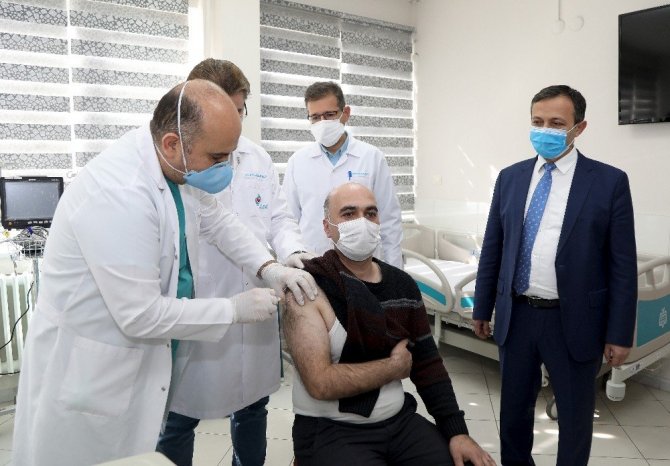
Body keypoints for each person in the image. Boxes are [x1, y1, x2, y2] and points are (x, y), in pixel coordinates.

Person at [12, 79, 317, 466]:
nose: (226, 168)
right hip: (92, 377)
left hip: (144, 359)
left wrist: (269, 268)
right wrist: (233, 310)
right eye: (218, 157)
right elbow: (140, 314)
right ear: (173, 143)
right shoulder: (119, 192)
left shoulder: (174, 166)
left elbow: (219, 220)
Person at [157, 59, 315, 466]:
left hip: (257, 296)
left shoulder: (257, 157)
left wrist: (290, 253)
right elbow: (214, 225)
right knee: (179, 416)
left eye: (239, 110)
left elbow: (278, 217)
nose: (234, 121)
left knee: (252, 406)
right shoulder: (179, 165)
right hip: (203, 300)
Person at [473, 85, 637, 466]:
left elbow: (622, 265)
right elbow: (493, 247)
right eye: (537, 121)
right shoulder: (510, 178)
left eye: (556, 123)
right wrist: (482, 307)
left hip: (574, 320)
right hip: (517, 316)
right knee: (513, 416)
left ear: (579, 128)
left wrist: (619, 333)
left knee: (575, 421)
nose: (544, 130)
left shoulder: (608, 182)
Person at [282, 182, 496, 466]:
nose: (362, 222)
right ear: (327, 227)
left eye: (370, 213)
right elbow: (320, 383)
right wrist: (393, 368)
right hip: (332, 429)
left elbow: (427, 364)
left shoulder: (401, 285)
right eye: (349, 214)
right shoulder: (308, 288)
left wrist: (457, 431)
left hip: (398, 422)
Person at [282, 81, 404, 268]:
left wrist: (395, 273)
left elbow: (390, 221)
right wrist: (290, 263)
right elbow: (287, 220)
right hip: (315, 262)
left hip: (364, 263)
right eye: (315, 117)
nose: (322, 123)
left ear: (345, 113)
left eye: (329, 115)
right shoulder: (297, 162)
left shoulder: (372, 157)